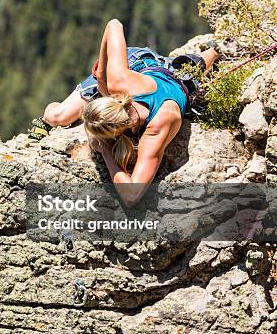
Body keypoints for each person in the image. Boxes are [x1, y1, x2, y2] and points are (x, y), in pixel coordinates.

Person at [28, 19, 219, 206]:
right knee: (56, 117)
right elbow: (113, 25)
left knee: (195, 70)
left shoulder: (160, 123)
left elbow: (132, 196)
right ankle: (44, 120)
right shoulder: (116, 83)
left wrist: (105, 151)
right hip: (139, 67)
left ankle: (214, 51)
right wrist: (101, 75)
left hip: (161, 72)